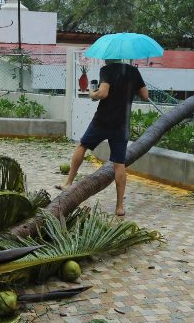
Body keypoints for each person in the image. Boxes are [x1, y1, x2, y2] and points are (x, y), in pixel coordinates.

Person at [57, 60, 148, 217]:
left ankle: (68, 183)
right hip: (122, 123)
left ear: (108, 57)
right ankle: (119, 207)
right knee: (119, 164)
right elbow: (145, 96)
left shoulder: (107, 70)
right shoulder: (134, 71)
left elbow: (103, 93)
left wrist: (93, 93)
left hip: (102, 121)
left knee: (82, 146)